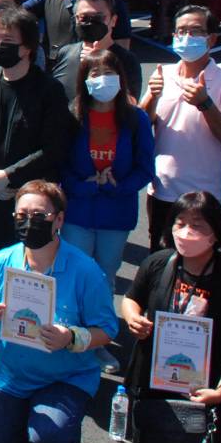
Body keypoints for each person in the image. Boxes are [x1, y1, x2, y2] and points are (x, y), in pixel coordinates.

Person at [0, 180, 119, 443]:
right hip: (10, 375)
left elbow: (107, 330)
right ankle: (24, 418)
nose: (30, 222)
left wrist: (72, 337)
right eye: (21, 215)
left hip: (64, 376)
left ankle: (63, 442)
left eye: (39, 216)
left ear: (60, 219)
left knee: (50, 438)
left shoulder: (85, 271)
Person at [0, 8, 72, 290]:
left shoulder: (49, 90)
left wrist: (9, 176)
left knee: (26, 266)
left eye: (7, 42)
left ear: (28, 47)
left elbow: (55, 147)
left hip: (29, 198)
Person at [122, 192, 221, 426]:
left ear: (216, 232)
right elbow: (131, 298)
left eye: (197, 225)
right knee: (152, 438)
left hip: (206, 383)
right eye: (180, 223)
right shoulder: (158, 263)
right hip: (156, 377)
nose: (186, 232)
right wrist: (132, 317)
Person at [59, 47, 155, 372]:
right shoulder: (73, 117)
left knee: (105, 278)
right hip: (79, 212)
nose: (102, 81)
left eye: (109, 73)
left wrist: (119, 186)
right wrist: (86, 185)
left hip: (116, 213)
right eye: (94, 74)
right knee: (76, 276)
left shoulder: (136, 118)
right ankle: (74, 340)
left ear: (121, 78)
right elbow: (61, 167)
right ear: (84, 81)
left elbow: (146, 168)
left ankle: (98, 341)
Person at [140, 5, 221, 251]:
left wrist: (205, 103)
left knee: (199, 260)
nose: (186, 37)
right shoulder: (162, 74)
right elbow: (143, 127)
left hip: (202, 194)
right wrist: (151, 97)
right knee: (160, 256)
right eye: (180, 31)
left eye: (195, 31)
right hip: (161, 189)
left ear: (212, 39)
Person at [48, 0, 142, 104]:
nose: (90, 23)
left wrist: (99, 69)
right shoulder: (66, 53)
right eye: (84, 18)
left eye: (98, 18)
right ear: (76, 20)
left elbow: (131, 104)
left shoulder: (126, 60)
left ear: (113, 20)